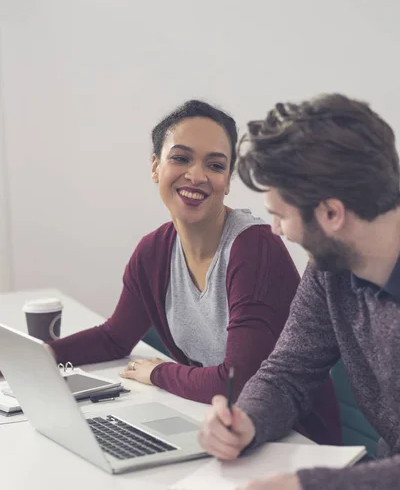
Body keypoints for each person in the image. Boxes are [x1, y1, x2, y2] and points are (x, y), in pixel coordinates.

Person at [48, 99, 339, 444]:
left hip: (293, 440)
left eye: (215, 165)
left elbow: (237, 381)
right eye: (181, 158)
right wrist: (38, 357)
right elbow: (114, 337)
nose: (196, 176)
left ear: (228, 180)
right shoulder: (153, 252)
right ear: (155, 167)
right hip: (218, 426)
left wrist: (159, 373)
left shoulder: (254, 248)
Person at [199, 93, 400, 490]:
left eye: (279, 215)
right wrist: (245, 420)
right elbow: (288, 371)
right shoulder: (331, 266)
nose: (276, 230)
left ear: (331, 213)